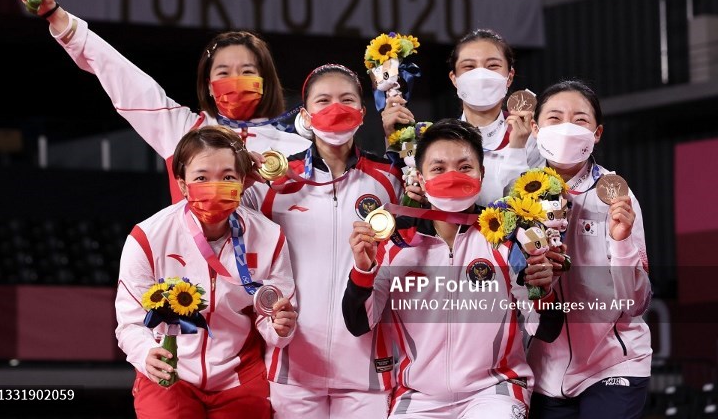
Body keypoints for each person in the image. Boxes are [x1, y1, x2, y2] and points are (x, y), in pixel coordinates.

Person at [16, 0, 311, 202]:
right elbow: (119, 73)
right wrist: (56, 15)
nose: (235, 79)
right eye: (223, 72)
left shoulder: (301, 148)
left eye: (247, 71)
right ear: (208, 86)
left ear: (265, 82)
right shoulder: (181, 129)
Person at [342, 118, 563, 418]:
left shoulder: (506, 238)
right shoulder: (395, 243)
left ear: (482, 173)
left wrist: (544, 292)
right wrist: (363, 270)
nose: (452, 177)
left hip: (494, 390)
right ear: (420, 179)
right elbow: (359, 324)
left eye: (464, 167)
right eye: (438, 168)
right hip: (418, 396)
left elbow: (546, 329)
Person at [242, 64, 403, 419]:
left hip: (366, 366)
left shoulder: (390, 179)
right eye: (324, 100)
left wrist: (402, 140)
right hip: (295, 365)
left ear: (362, 113)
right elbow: (229, 226)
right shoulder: (274, 182)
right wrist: (242, 173)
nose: (336, 108)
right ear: (305, 115)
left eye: (347, 100)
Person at [115, 125, 298, 419]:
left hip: (240, 377)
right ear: (183, 184)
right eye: (201, 178)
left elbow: (273, 318)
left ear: (242, 181)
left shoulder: (269, 236)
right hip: (168, 371)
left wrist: (280, 328)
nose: (215, 186)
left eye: (227, 177)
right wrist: (146, 352)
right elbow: (130, 322)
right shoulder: (148, 238)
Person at [526, 80, 652, 419]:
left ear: (597, 133)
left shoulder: (618, 199)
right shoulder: (519, 198)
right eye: (554, 118)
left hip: (614, 363)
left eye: (580, 119)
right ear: (535, 129)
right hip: (544, 371)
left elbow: (636, 302)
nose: (566, 127)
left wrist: (622, 242)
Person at [381, 28, 541, 206]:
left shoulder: (532, 139)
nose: (480, 76)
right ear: (454, 79)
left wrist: (518, 147)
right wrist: (392, 137)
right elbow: (401, 183)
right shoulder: (429, 139)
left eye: (492, 66)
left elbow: (534, 204)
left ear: (509, 77)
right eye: (469, 67)